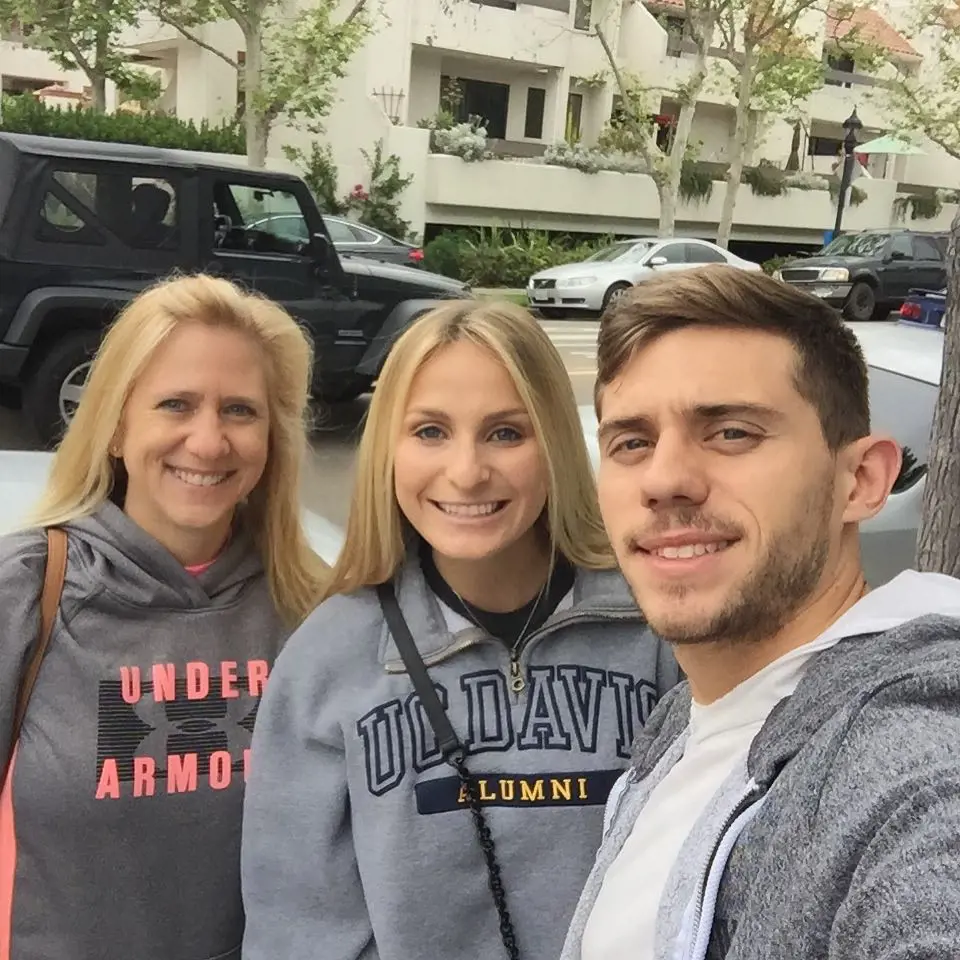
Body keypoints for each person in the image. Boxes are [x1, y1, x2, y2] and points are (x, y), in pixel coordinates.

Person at [240, 300, 680, 960]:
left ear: (554, 441)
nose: (467, 471)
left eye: (505, 433)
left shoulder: (660, 630)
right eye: (430, 432)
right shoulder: (327, 660)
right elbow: (297, 925)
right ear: (388, 446)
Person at [559, 266, 960, 960]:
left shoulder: (908, 769)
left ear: (860, 481)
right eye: (631, 442)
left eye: (732, 432)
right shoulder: (697, 713)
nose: (664, 479)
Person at [0, 274, 327, 960]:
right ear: (117, 425)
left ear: (273, 438)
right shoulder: (28, 592)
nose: (207, 443)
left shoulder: (315, 613)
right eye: (175, 404)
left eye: (240, 410)